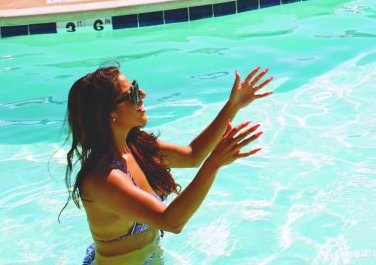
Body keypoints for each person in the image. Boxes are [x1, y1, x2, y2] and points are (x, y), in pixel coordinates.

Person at [64, 65, 273, 264]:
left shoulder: (136, 148)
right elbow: (170, 222)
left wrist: (233, 105)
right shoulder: (103, 179)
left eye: (136, 86)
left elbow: (193, 156)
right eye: (132, 94)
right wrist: (214, 164)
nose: (143, 94)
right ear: (110, 113)